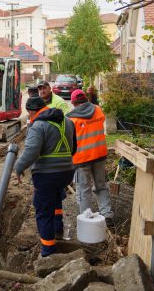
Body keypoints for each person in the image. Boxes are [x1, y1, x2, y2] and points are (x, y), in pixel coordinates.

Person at [14, 96, 77, 257]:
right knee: (56, 197)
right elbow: (74, 148)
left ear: (31, 111)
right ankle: (57, 228)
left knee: (43, 209)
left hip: (46, 175)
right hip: (67, 173)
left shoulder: (38, 125)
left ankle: (48, 250)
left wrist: (19, 167)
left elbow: (31, 151)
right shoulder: (68, 122)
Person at [66, 89, 114, 226]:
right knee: (101, 186)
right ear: (86, 99)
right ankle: (107, 214)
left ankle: (86, 220)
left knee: (83, 190)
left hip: (81, 159)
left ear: (73, 102)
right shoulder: (98, 110)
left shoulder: (70, 118)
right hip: (99, 155)